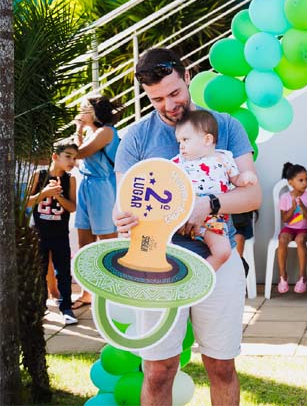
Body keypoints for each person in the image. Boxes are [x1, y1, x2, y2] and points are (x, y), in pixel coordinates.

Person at [113, 48, 260, 406]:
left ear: (188, 75)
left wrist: (208, 204)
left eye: (174, 93)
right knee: (159, 369)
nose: (168, 105)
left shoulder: (225, 126)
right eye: (157, 98)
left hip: (218, 262)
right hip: (156, 264)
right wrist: (121, 218)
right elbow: (123, 205)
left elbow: (253, 195)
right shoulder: (136, 139)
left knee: (221, 365)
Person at [173, 110, 257, 271]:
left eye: (185, 140)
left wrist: (245, 177)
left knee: (223, 252)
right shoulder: (178, 161)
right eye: (179, 142)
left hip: (213, 220)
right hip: (182, 214)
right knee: (163, 240)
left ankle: (202, 274)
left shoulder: (224, 158)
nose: (181, 146)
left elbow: (235, 180)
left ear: (207, 139)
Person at [71, 95, 121, 310]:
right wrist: (80, 131)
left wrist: (79, 131)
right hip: (86, 184)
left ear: (94, 112)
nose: (80, 111)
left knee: (107, 242)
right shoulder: (92, 131)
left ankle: (112, 291)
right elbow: (79, 154)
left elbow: (80, 153)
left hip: (103, 187)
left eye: (84, 109)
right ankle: (87, 292)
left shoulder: (105, 132)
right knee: (84, 241)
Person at [27, 141, 78, 325]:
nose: (72, 161)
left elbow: (72, 207)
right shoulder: (38, 175)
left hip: (60, 234)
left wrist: (58, 196)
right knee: (39, 271)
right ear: (55, 156)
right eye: (68, 156)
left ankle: (66, 308)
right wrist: (45, 192)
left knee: (63, 272)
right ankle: (40, 308)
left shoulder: (70, 179)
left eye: (74, 157)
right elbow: (27, 202)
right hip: (39, 233)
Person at [276, 162, 307, 295]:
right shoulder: (285, 197)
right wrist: (293, 207)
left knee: (301, 240)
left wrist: (303, 207)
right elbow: (285, 219)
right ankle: (283, 275)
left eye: (306, 179)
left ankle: (302, 276)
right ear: (291, 182)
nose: (305, 183)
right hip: (290, 228)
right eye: (301, 180)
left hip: (304, 230)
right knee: (282, 239)